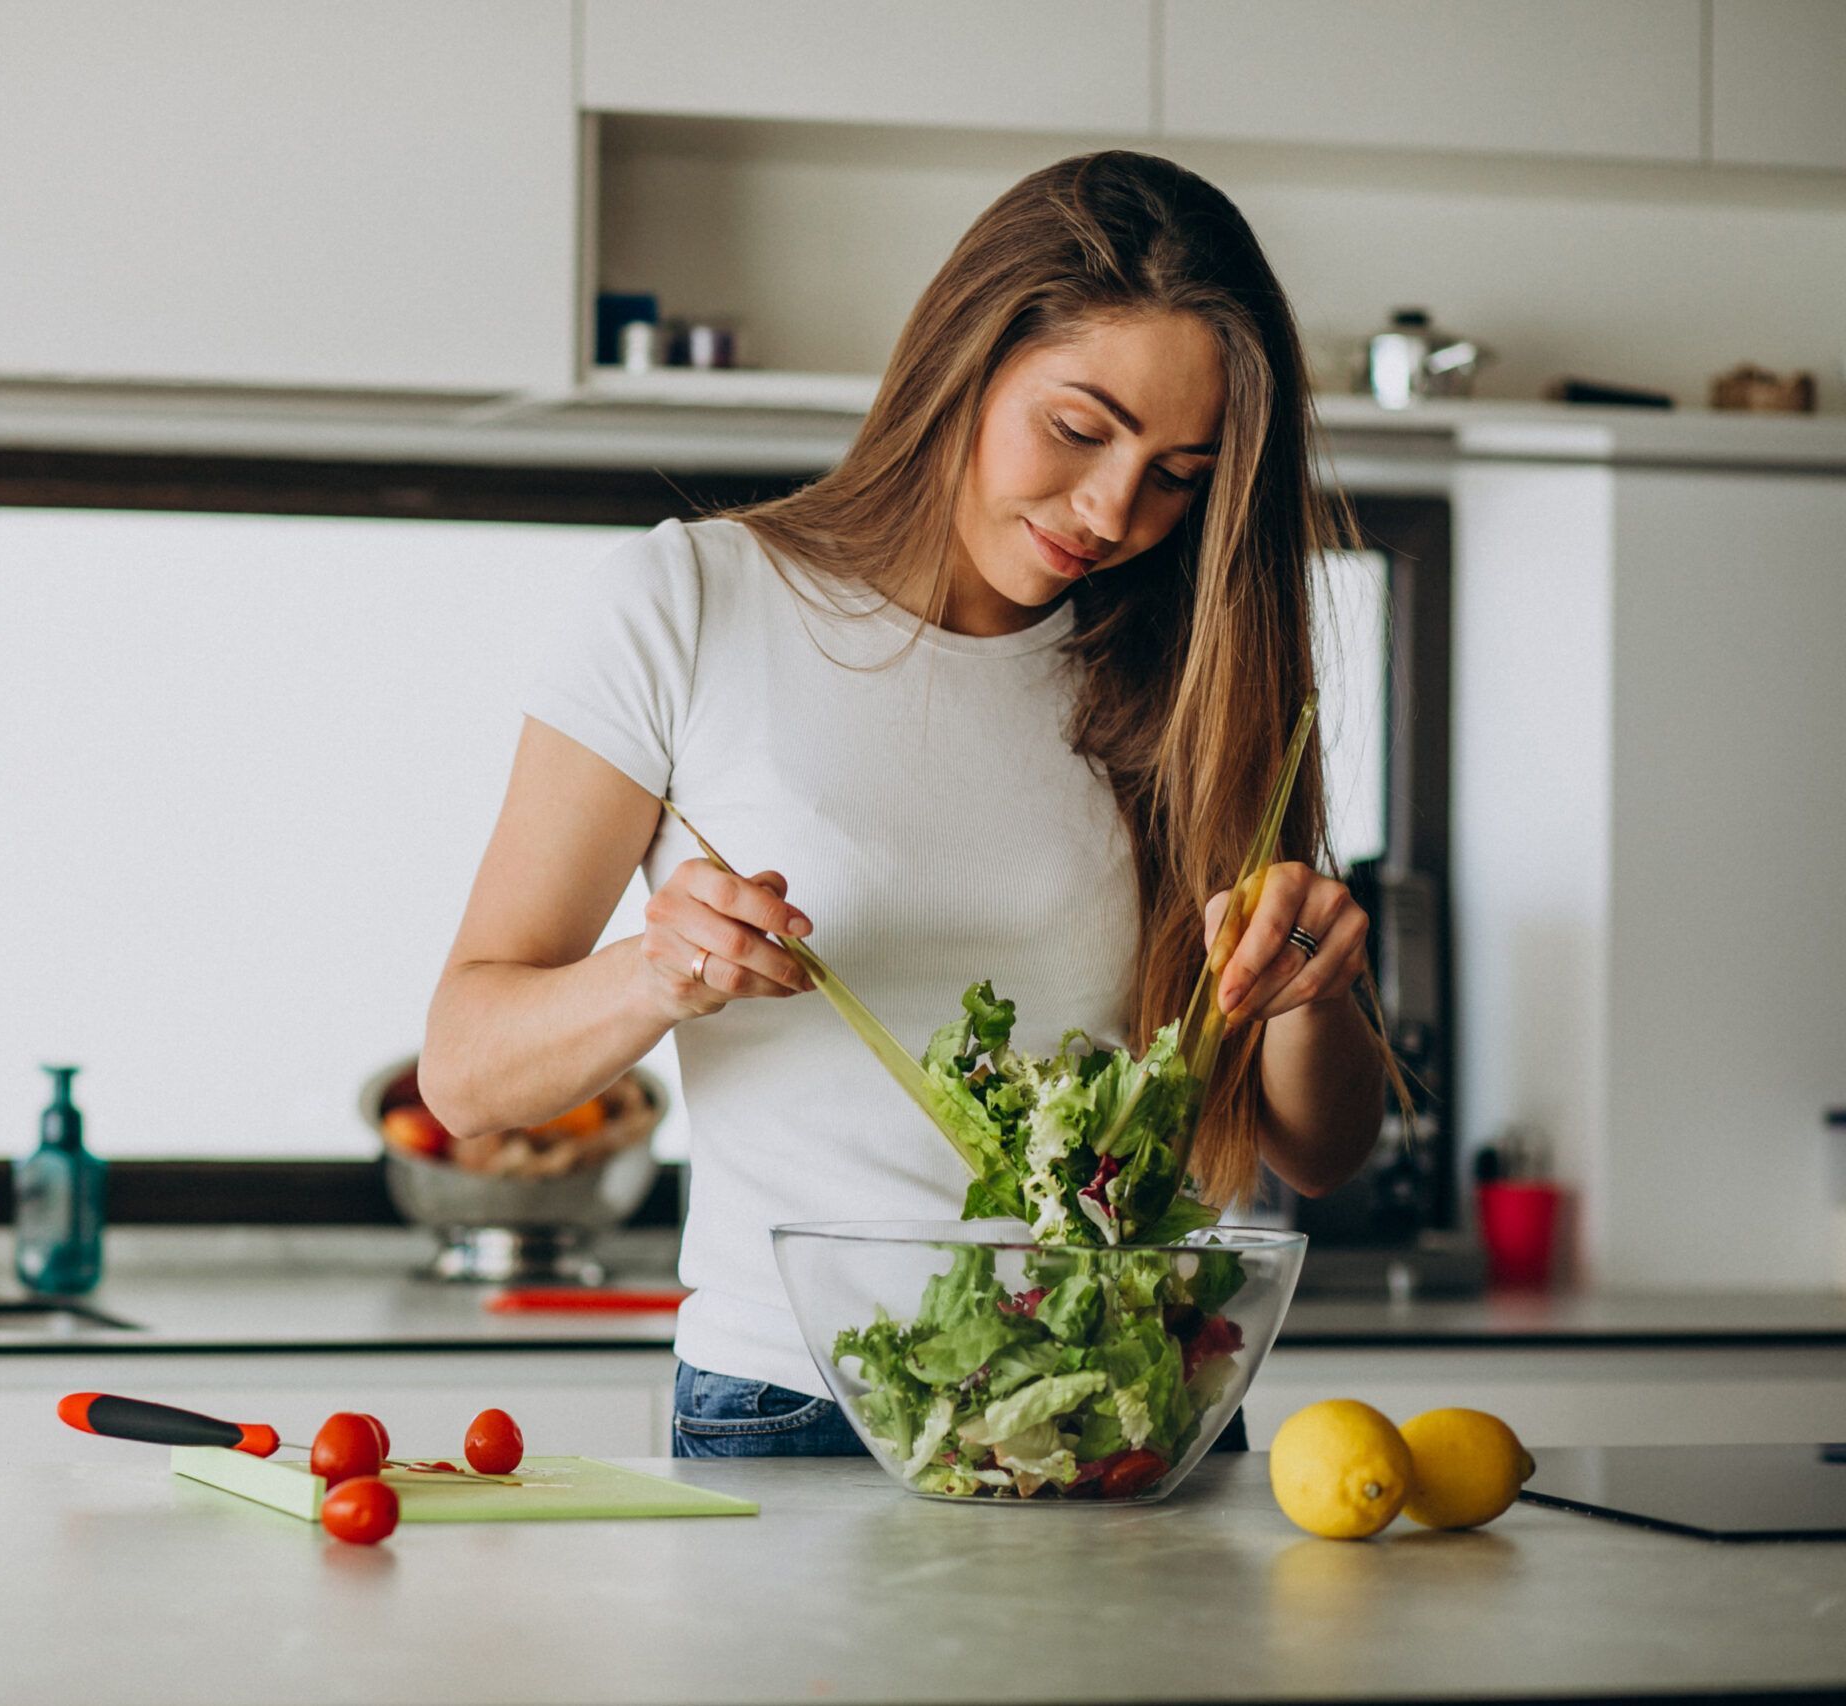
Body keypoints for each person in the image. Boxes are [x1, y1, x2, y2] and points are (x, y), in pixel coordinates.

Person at [420, 151, 1390, 1459]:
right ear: (967, 361)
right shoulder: (692, 603)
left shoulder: (1194, 669)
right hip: (808, 1400)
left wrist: (1315, 987)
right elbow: (467, 1073)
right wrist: (658, 971)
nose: (1115, 510)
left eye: (1179, 471)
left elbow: (1321, 1151)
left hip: (1138, 1405)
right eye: (1079, 429)